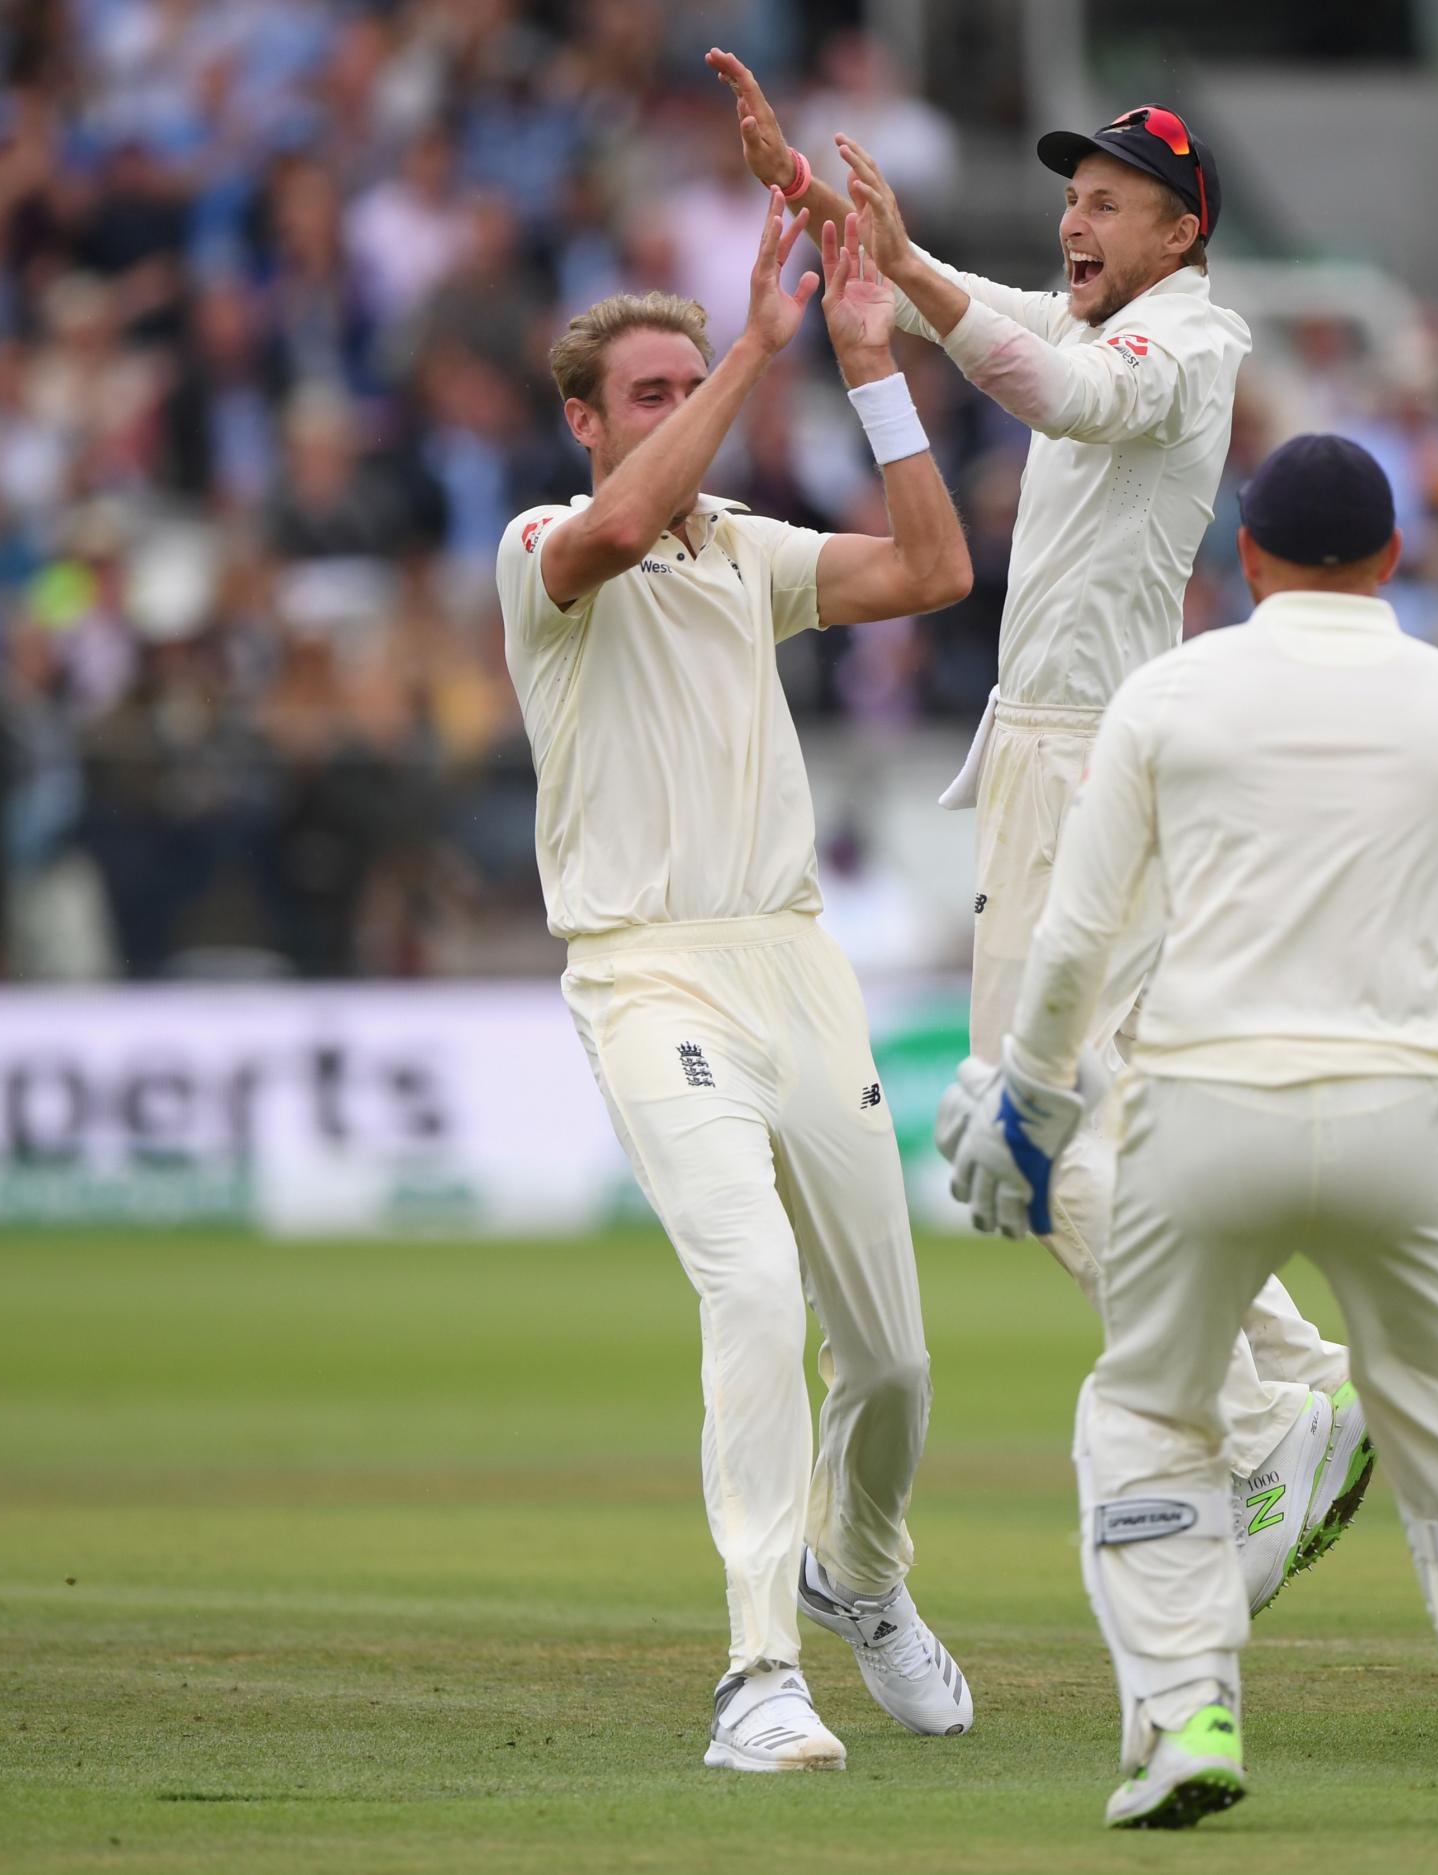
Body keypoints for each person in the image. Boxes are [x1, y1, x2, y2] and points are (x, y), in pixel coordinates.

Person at [706, 47, 1365, 1612]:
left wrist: (910, 269)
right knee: (1113, 1119)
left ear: (1180, 234)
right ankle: (1304, 1385)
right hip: (1075, 749)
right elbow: (1010, 323)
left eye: (1110, 204)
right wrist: (832, 215)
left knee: (1023, 1123)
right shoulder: (1116, 313)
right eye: (1071, 197)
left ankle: (1275, 1414)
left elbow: (1049, 385)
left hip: (1084, 762)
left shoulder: (1188, 346)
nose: (1076, 222)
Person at [937, 436, 1438, 1830]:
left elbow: (1071, 942)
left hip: (1209, 1115)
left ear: (1242, 559)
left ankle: (1186, 1711)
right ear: (1393, 560)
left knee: (1148, 1411)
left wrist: (1034, 1102)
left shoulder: (1170, 696)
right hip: (1398, 1122)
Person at [494, 192, 977, 1773]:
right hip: (647, 973)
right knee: (753, 1292)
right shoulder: (542, 554)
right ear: (583, 418)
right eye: (644, 392)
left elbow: (934, 567)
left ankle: (865, 1577)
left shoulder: (749, 555)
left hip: (794, 962)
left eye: (680, 385)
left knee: (894, 1360)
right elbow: (621, 528)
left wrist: (860, 362)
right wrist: (752, 350)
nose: (671, 413)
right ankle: (758, 1672)